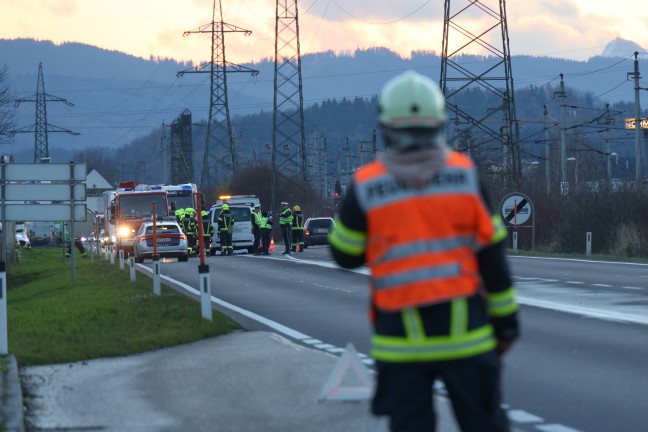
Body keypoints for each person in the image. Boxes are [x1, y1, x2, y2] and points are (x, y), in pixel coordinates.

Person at [328, 70, 519, 432]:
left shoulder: (367, 185)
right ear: (439, 124)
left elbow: (345, 255)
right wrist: (507, 325)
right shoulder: (465, 176)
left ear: (386, 127)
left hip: (401, 345)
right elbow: (492, 258)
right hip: (468, 339)